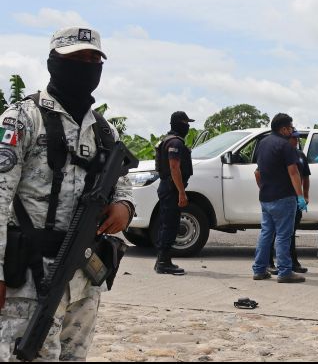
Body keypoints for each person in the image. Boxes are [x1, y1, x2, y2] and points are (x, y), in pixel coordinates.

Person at [0, 26, 135, 361]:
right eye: (76, 58)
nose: (87, 65)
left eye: (93, 59)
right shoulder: (22, 119)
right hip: (30, 277)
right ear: (53, 61)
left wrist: (125, 207)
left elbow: (122, 184)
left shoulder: (103, 129)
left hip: (85, 276)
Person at [252, 114, 306, 284]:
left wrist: (263, 188)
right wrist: (300, 196)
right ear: (283, 129)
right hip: (284, 196)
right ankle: (285, 272)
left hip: (266, 196)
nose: (292, 130)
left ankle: (259, 269)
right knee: (284, 236)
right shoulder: (286, 146)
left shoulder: (263, 143)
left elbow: (258, 171)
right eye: (290, 127)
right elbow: (293, 172)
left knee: (266, 233)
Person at [153, 111, 195, 275]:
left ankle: (163, 260)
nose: (188, 126)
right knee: (170, 225)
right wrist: (181, 193)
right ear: (180, 123)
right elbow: (174, 167)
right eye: (186, 123)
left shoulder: (167, 139)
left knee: (168, 223)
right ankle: (163, 262)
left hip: (168, 187)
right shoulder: (175, 143)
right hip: (171, 188)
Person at [269, 130, 309, 274]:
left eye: (297, 138)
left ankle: (293, 262)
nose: (296, 140)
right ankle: (271, 262)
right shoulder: (279, 154)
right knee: (276, 233)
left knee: (291, 232)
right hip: (281, 198)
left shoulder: (300, 156)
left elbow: (305, 177)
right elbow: (258, 173)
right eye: (293, 138)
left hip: (295, 200)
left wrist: (305, 196)